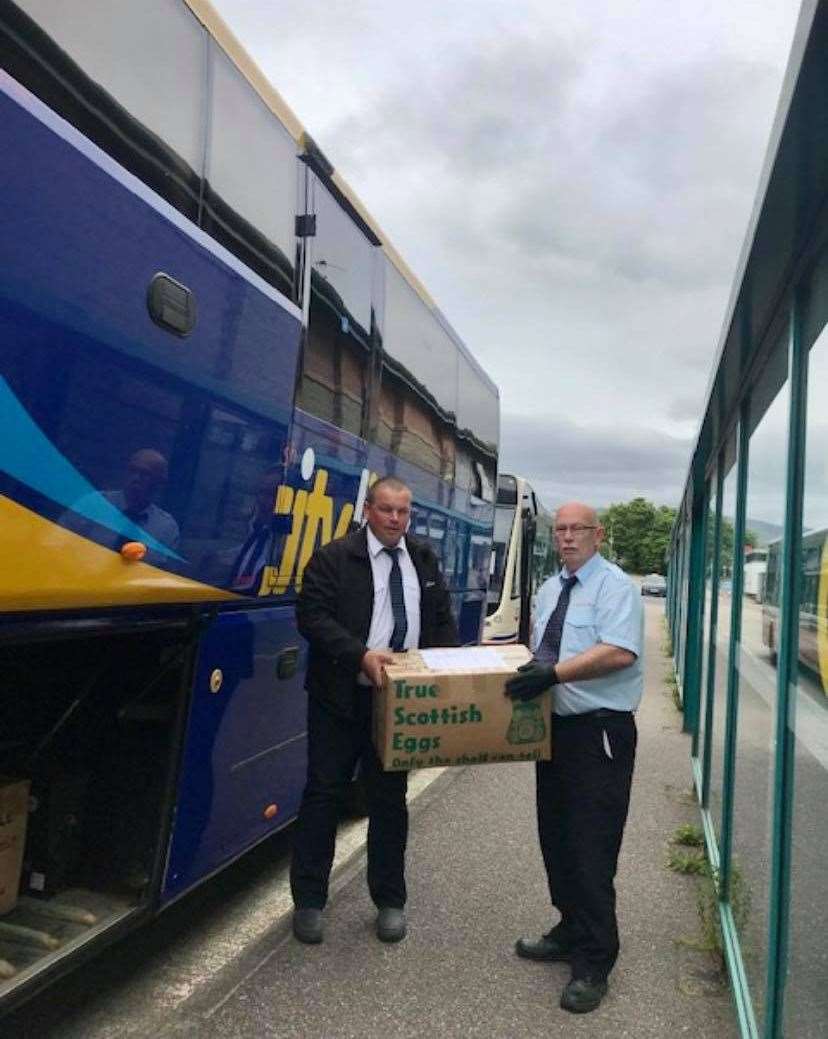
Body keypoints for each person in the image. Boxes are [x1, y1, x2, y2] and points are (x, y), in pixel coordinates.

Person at [290, 476, 458, 945]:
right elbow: (312, 617)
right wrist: (360, 654)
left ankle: (390, 901)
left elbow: (440, 617)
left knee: (388, 802)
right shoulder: (333, 558)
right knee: (324, 795)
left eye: (404, 512)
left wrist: (452, 670)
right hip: (339, 700)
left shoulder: (422, 558)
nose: (396, 520)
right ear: (368, 510)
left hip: (396, 703)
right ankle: (308, 902)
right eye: (387, 510)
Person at [505, 501, 643, 1015]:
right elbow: (542, 650)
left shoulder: (614, 588)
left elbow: (619, 651)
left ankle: (594, 960)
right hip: (554, 731)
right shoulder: (549, 586)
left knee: (591, 846)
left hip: (598, 733)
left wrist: (555, 675)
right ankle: (569, 927)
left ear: (597, 534)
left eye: (576, 529)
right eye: (559, 529)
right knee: (556, 838)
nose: (566, 537)